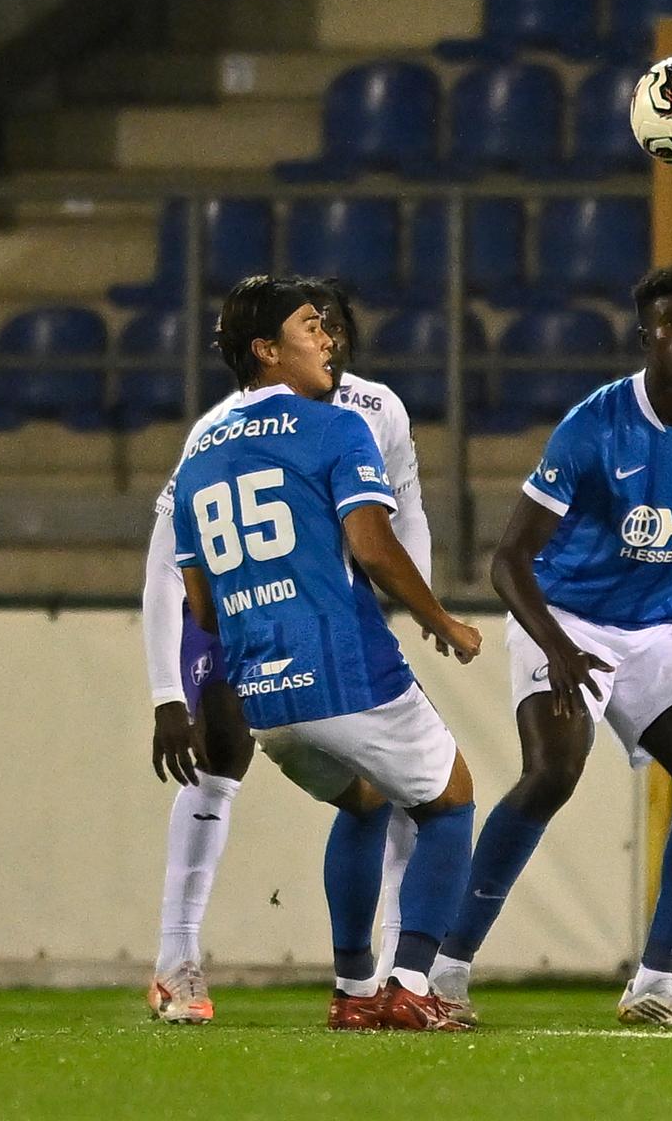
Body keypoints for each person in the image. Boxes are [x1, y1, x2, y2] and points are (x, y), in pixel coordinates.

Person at [431, 266, 672, 1029]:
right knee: (552, 773)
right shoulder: (594, 426)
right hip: (563, 616)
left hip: (654, 628)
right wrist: (557, 648)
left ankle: (655, 983)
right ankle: (444, 971)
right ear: (647, 336)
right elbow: (509, 562)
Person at [169, 276, 483, 1032]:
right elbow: (373, 546)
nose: (329, 338)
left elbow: (202, 606)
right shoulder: (337, 426)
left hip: (264, 697)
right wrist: (442, 618)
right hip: (345, 666)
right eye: (311, 327)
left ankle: (351, 991)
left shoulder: (198, 455)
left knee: (365, 799)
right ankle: (409, 985)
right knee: (451, 803)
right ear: (266, 350)